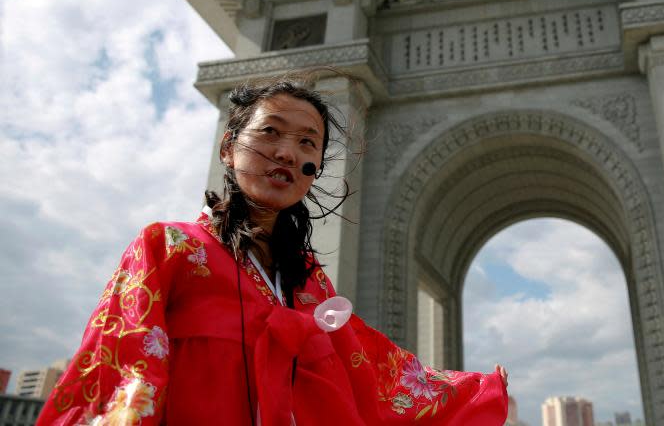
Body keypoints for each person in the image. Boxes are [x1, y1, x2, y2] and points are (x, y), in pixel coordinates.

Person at [37, 76, 509, 425]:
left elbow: (374, 373)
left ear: (313, 169)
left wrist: (473, 391)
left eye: (307, 143)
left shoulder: (311, 284)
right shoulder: (168, 248)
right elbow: (123, 372)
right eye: (269, 132)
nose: (286, 152)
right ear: (228, 148)